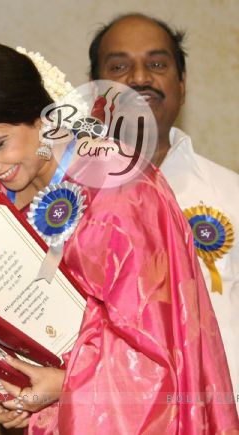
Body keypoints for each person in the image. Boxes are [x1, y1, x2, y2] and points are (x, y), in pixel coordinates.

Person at [0, 41, 237, 433]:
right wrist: (15, 393)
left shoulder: (123, 192)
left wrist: (65, 384)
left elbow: (156, 352)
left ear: (41, 117)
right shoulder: (6, 205)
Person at [89, 13, 239, 410]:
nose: (140, 78)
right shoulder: (64, 202)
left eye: (157, 64)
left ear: (182, 85)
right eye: (119, 67)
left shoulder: (231, 194)